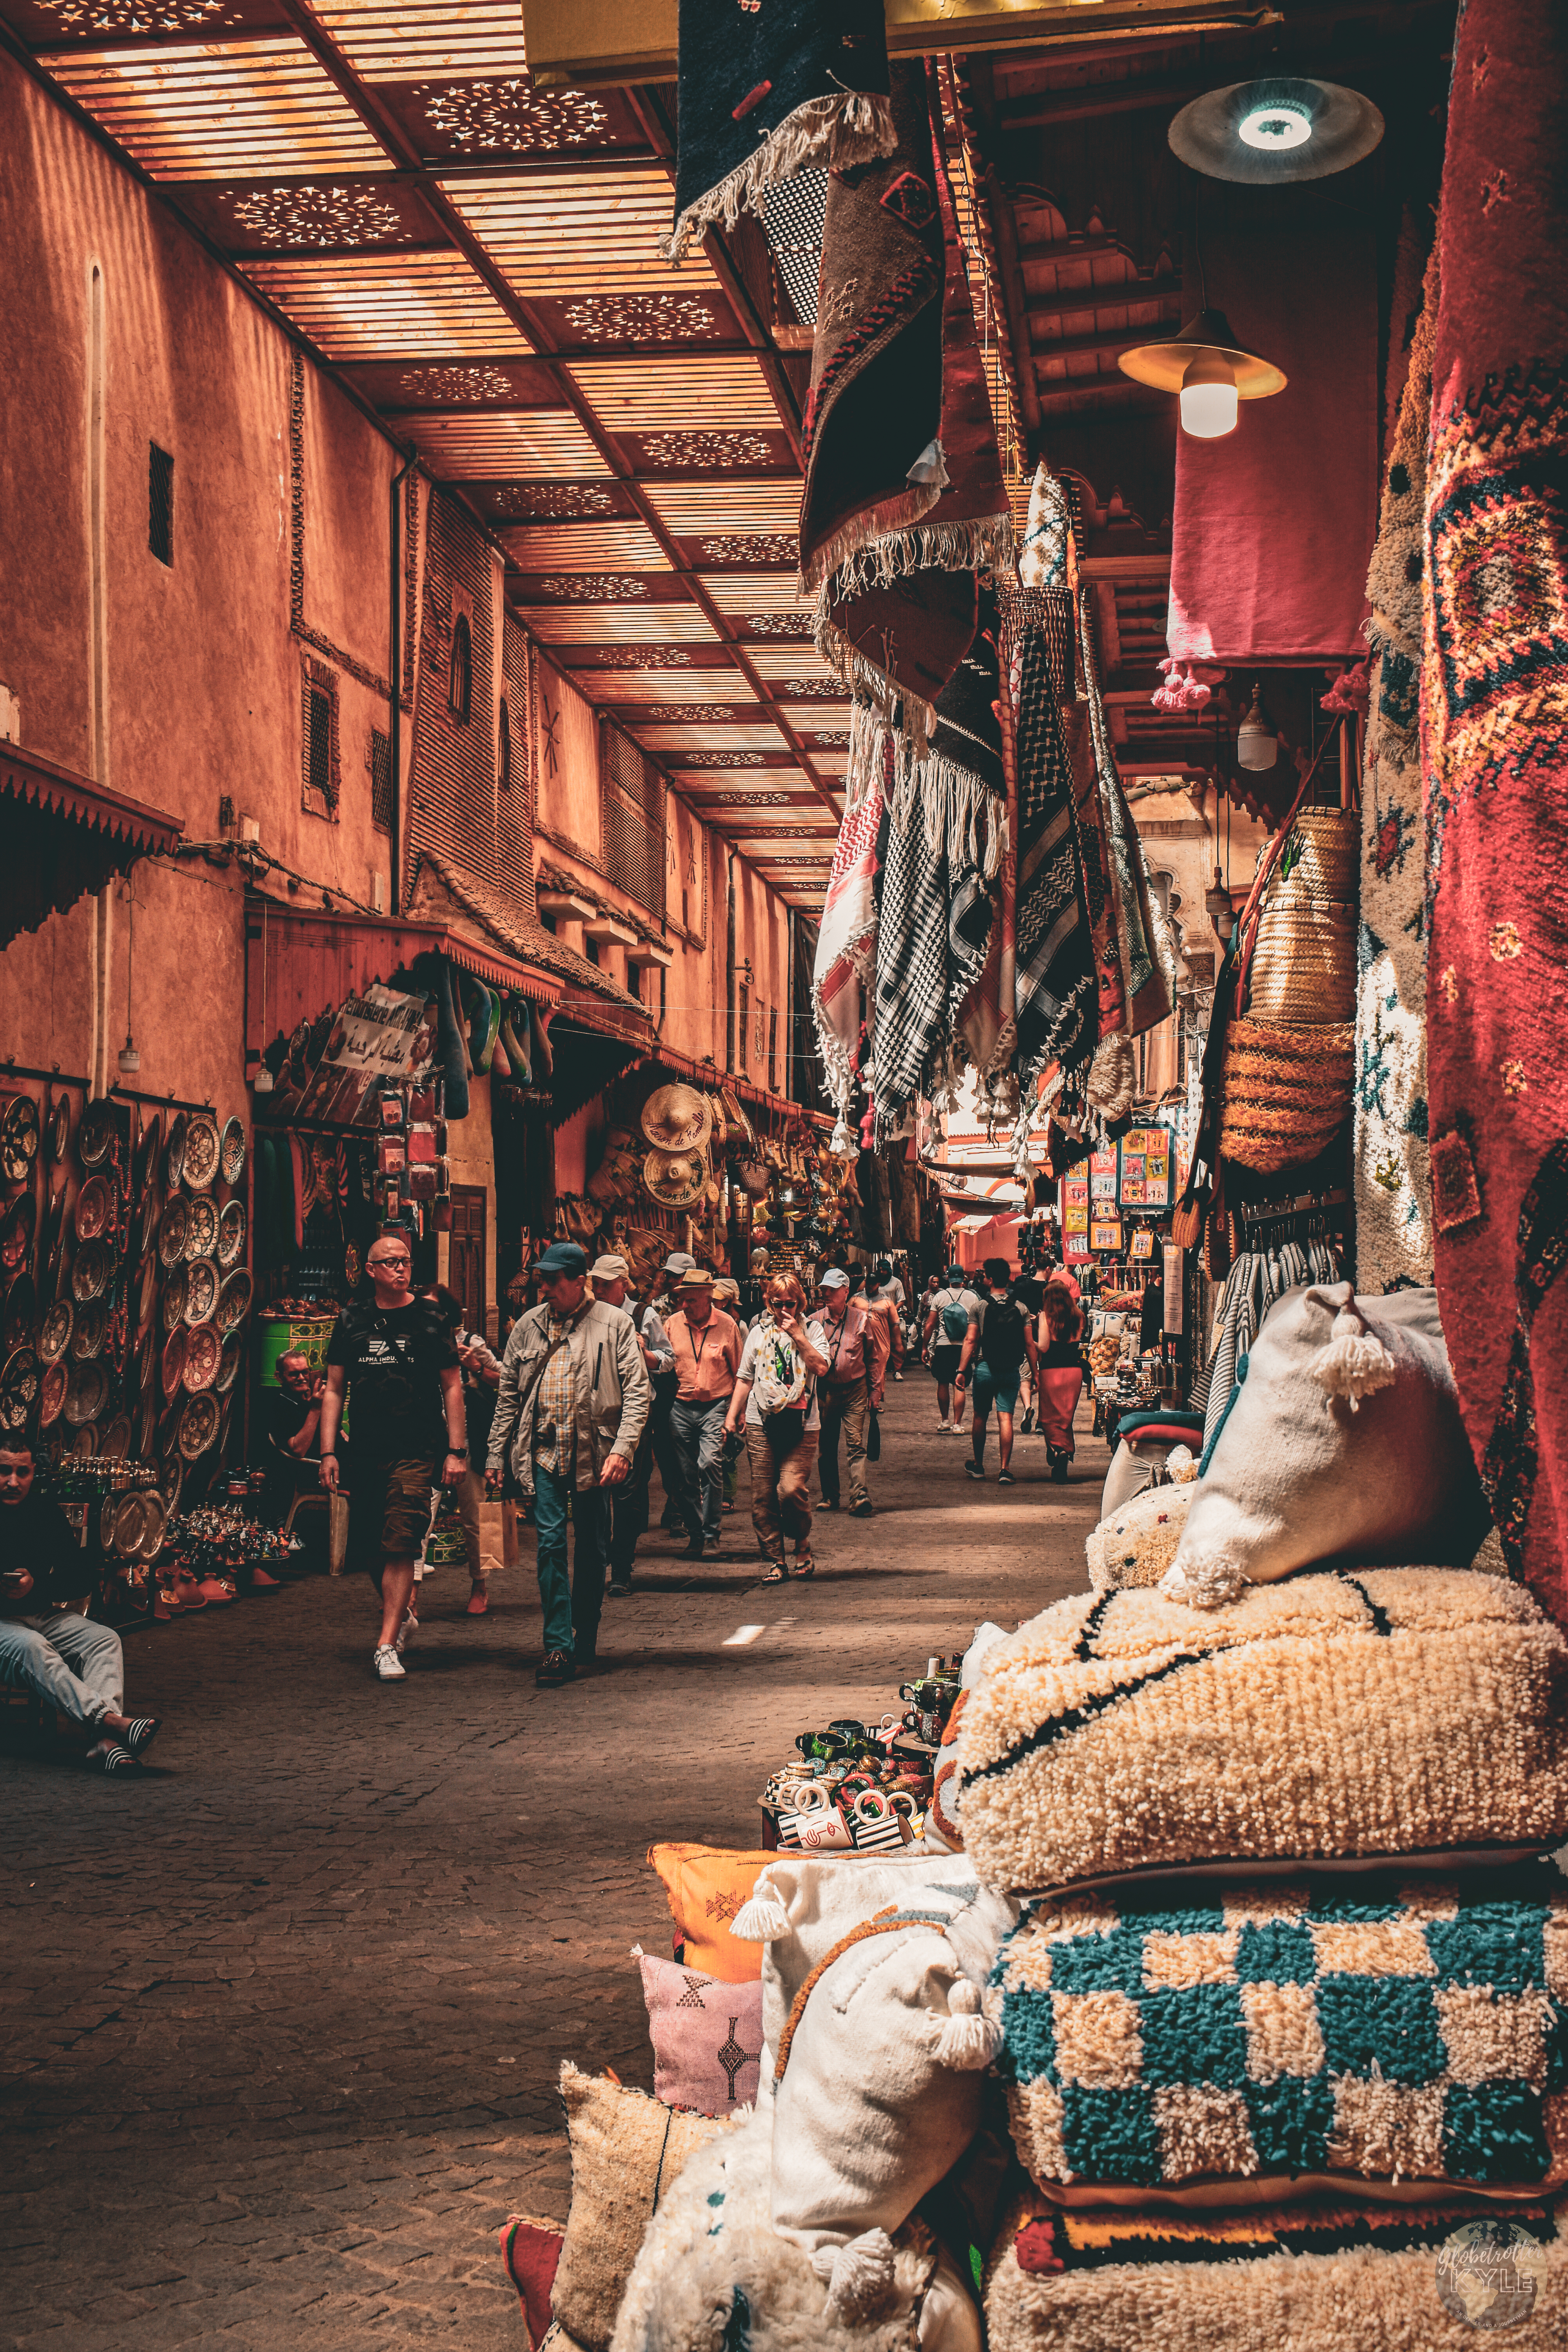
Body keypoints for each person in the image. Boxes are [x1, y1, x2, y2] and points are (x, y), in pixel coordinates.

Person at [486, 1239, 650, 1687]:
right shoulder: (528, 1326)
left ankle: (587, 1630)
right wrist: (495, 1453)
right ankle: (558, 1645)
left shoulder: (614, 1324)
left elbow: (638, 1394)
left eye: (555, 1280)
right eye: (543, 1279)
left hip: (594, 1454)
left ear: (580, 1282)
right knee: (551, 1546)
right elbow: (508, 1396)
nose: (546, 1287)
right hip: (542, 1451)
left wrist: (622, 1450)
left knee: (594, 1547)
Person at [320, 1233, 466, 1682]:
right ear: (371, 1270)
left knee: (402, 1539)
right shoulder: (352, 1320)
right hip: (366, 1449)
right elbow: (333, 1388)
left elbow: (452, 1384)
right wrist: (328, 1450)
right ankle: (399, 1614)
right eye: (390, 1262)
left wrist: (456, 1451)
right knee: (370, 1547)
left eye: (405, 1261)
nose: (401, 1269)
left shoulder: (429, 1316)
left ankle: (385, 1644)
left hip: (417, 1447)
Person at [0, 1437, 160, 1770]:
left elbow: (81, 1578)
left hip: (39, 1613)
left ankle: (104, 1742)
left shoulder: (44, 1513)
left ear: (33, 1474)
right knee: (33, 1645)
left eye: (21, 1472)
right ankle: (109, 1724)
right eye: (3, 1471)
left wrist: (36, 1585)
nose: (12, 1482)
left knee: (104, 1639)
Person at [723, 1274, 830, 1581]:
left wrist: (798, 1335)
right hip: (762, 1421)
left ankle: (802, 1543)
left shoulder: (812, 1330)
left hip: (803, 1423)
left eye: (789, 1304)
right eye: (776, 1304)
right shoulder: (758, 1332)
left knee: (791, 1489)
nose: (782, 1310)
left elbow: (822, 1367)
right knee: (763, 1496)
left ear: (801, 1303)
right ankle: (776, 1561)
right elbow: (745, 1377)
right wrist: (733, 1416)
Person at [589, 1252, 672, 1598]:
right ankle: (598, 1560)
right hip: (596, 1415)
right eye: (595, 1284)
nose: (597, 1291)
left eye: (605, 1285)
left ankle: (621, 1568)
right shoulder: (588, 1315)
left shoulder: (643, 1314)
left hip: (635, 1412)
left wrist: (645, 1353)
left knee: (626, 1492)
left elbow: (668, 1360)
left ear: (622, 1284)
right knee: (595, 1492)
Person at [421, 1285, 501, 1615]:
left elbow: (506, 1381)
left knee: (474, 1519)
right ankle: (408, 1593)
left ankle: (479, 1585)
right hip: (429, 1441)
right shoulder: (414, 1341)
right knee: (419, 1517)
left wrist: (476, 1367)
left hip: (469, 1443)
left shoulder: (472, 1343)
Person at [665, 1267, 743, 1560]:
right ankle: (697, 1535)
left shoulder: (727, 1326)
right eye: (683, 1299)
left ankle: (712, 1535)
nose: (685, 1305)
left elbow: (740, 1374)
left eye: (691, 1300)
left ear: (708, 1298)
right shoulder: (672, 1324)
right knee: (684, 1475)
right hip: (679, 1407)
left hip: (716, 1406)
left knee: (710, 1463)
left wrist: (737, 1416)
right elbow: (662, 1365)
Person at [957, 1256, 1039, 1485]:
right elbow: (1029, 1344)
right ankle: (1005, 1469)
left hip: (985, 1369)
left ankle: (979, 1465)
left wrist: (961, 1370)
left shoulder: (979, 1307)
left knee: (980, 1417)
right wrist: (1035, 1373)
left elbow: (971, 1341)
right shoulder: (1021, 1308)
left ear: (990, 1279)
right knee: (1006, 1418)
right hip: (1011, 1370)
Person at [816, 1266, 886, 1518]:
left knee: (855, 1444)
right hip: (826, 1392)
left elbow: (873, 1358)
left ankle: (859, 1496)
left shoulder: (860, 1319)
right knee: (826, 1445)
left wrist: (876, 1391)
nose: (826, 1294)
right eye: (824, 1289)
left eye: (832, 1290)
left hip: (855, 1389)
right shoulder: (814, 1322)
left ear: (845, 1292)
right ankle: (830, 1496)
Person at [648, 1251, 695, 1533]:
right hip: (666, 1388)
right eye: (671, 1274)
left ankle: (680, 1508)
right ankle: (675, 1502)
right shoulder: (657, 1308)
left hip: (695, 1388)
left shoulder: (703, 1305)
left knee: (689, 1453)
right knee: (666, 1451)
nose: (673, 1279)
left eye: (679, 1275)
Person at [1036, 1283, 1086, 1481]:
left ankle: (1059, 1451)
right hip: (1074, 1371)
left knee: (1049, 1417)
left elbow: (1044, 1347)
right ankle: (1063, 1450)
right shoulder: (1079, 1316)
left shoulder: (1045, 1317)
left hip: (1051, 1371)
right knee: (1065, 1419)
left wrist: (1028, 1341)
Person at [925, 1265, 982, 1433]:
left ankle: (945, 1421)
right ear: (964, 1278)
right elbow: (978, 1326)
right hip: (964, 1346)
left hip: (943, 1345)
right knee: (960, 1383)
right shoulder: (973, 1297)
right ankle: (957, 1424)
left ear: (948, 1277)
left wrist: (924, 1347)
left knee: (942, 1382)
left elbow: (930, 1324)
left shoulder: (940, 1296)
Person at [872, 1259, 907, 1378]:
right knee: (878, 1344)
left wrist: (893, 1310)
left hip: (892, 1317)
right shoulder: (875, 1282)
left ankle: (898, 1371)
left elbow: (902, 1300)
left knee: (896, 1343)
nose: (882, 1272)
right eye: (880, 1270)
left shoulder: (896, 1283)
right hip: (877, 1317)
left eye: (884, 1270)